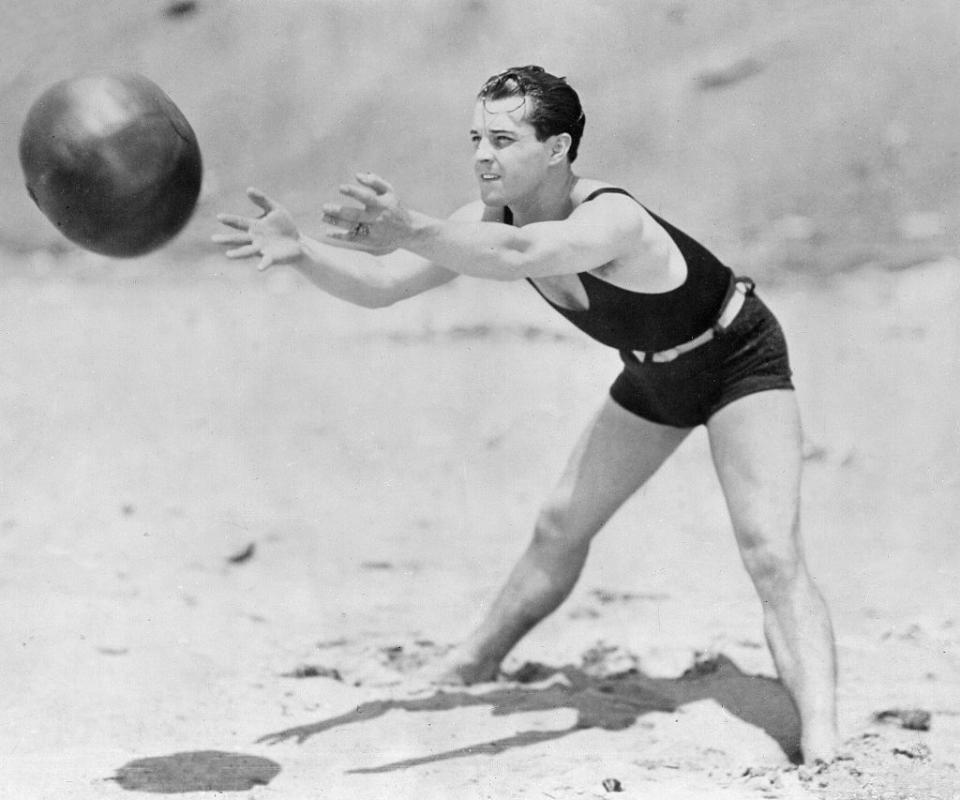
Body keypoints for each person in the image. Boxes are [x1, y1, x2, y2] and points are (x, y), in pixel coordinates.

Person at [213, 65, 837, 764]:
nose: (482, 154)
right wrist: (303, 255)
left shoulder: (610, 216)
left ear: (558, 149)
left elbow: (518, 256)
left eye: (503, 139)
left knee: (770, 552)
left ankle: (824, 740)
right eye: (476, 137)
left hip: (735, 359)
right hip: (652, 375)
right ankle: (474, 659)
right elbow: (385, 284)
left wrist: (408, 225)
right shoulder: (485, 219)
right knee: (559, 525)